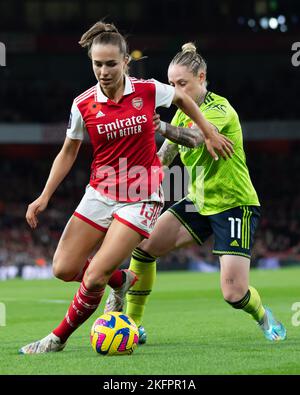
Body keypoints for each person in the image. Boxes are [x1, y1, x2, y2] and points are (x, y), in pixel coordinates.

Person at [19, 24, 233, 354]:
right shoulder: (83, 104)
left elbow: (181, 99)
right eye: (97, 64)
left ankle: (57, 338)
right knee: (63, 268)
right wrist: (44, 196)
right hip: (100, 193)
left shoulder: (148, 91)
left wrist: (206, 132)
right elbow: (68, 151)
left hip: (142, 196)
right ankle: (121, 281)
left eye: (111, 64)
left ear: (124, 63)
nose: (104, 71)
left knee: (94, 277)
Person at [104, 42, 287, 344]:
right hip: (198, 201)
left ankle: (262, 315)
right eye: (171, 84)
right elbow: (163, 159)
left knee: (233, 293)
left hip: (233, 204)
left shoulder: (220, 109)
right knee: (144, 246)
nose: (175, 90)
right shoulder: (179, 114)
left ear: (201, 78)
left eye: (182, 83)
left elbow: (196, 139)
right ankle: (132, 326)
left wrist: (159, 125)